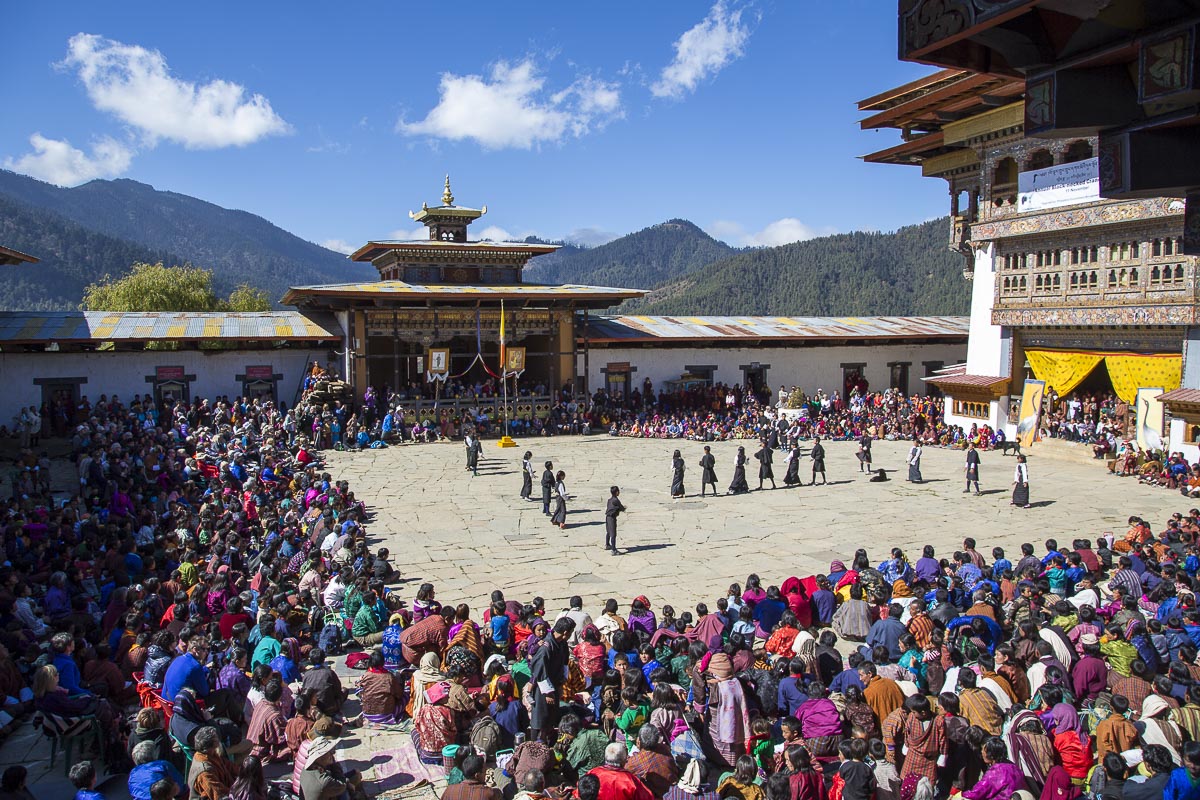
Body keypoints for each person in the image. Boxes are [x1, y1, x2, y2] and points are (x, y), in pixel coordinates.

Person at [529, 617, 574, 740]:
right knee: (540, 718)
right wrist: (548, 692)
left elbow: (565, 662)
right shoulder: (545, 648)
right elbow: (539, 670)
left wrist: (562, 682)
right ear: (565, 632)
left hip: (555, 684)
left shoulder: (562, 644)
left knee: (551, 716)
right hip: (543, 689)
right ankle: (533, 743)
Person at [605, 486, 626, 555]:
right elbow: (622, 508)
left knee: (608, 531)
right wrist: (624, 508)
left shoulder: (610, 500)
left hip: (607, 517)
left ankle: (607, 544)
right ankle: (613, 550)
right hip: (612, 518)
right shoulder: (616, 500)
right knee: (613, 534)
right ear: (617, 492)